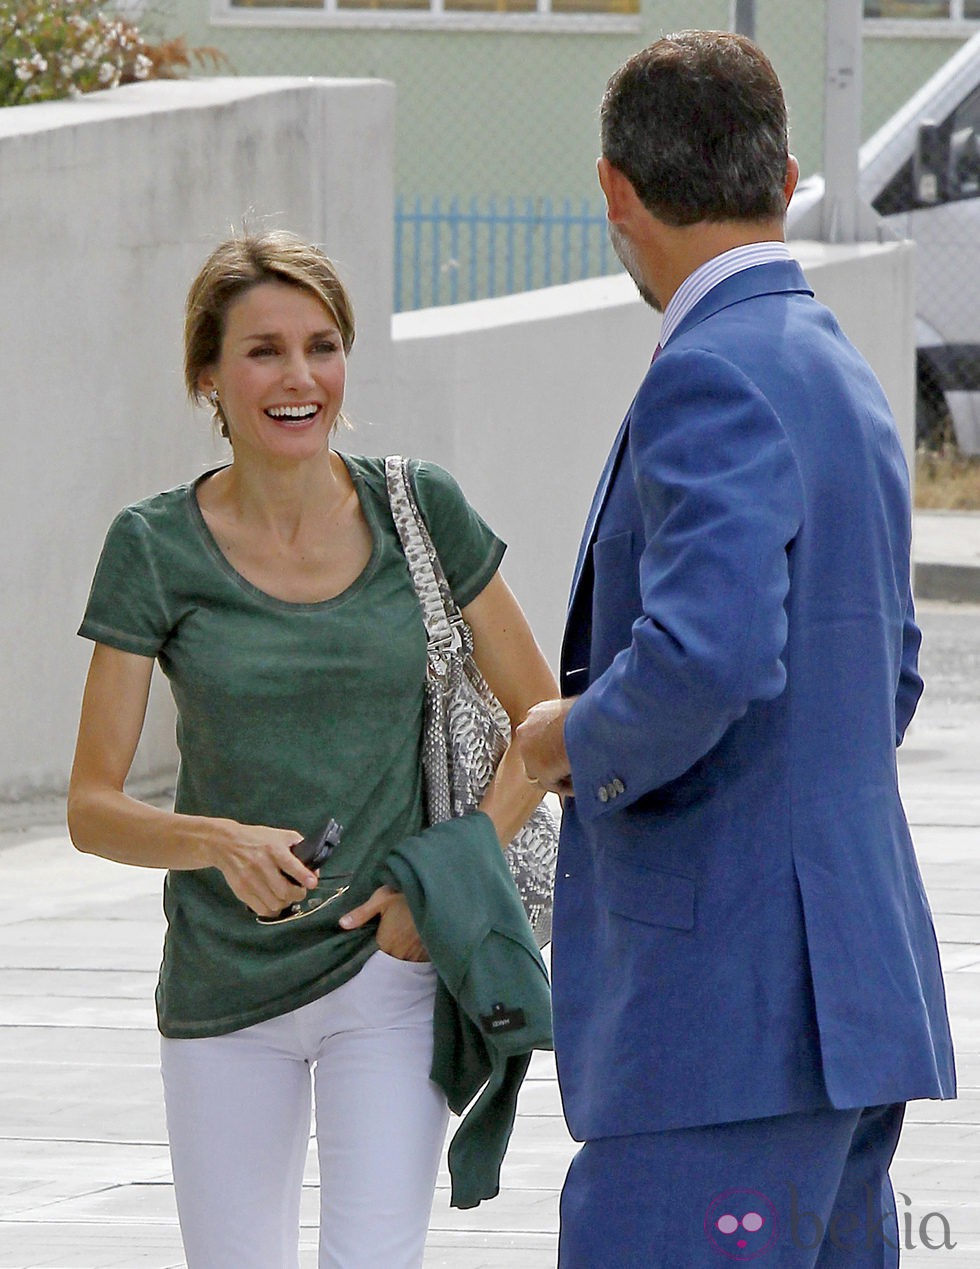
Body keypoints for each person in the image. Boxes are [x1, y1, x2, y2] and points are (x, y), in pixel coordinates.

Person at [515, 31, 955, 1267]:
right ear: (789, 173)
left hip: (717, 1026)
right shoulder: (836, 367)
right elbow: (890, 667)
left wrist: (573, 740)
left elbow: (706, 658)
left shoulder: (704, 372)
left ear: (613, 188)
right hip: (842, 1009)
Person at [67, 230, 558, 1268]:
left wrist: (447, 877)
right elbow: (91, 806)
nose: (300, 378)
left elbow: (541, 724)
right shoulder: (151, 547)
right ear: (208, 374)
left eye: (322, 346)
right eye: (263, 351)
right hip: (218, 982)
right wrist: (214, 842)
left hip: (388, 964)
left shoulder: (419, 508)